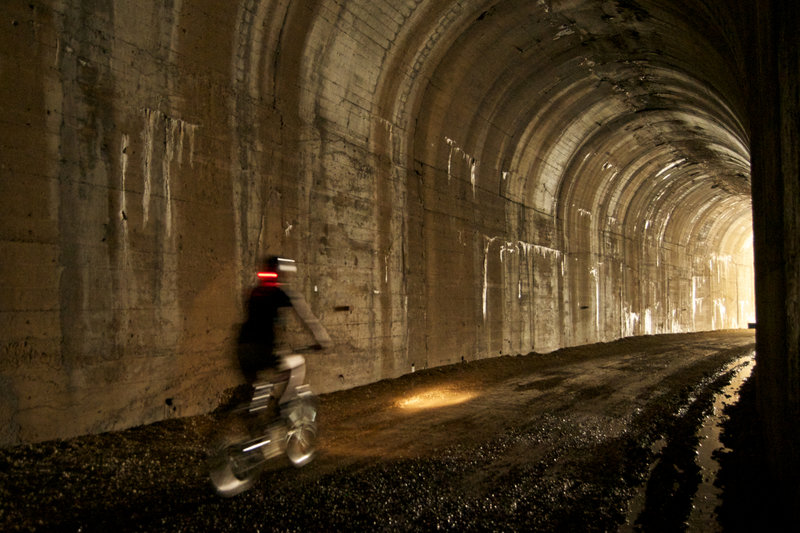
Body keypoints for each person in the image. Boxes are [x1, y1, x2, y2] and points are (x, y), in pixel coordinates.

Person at [236, 255, 331, 419]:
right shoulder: (281, 293)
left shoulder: (254, 292)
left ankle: (253, 426)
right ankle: (283, 409)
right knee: (298, 364)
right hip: (263, 350)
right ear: (280, 273)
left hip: (242, 350)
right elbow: (307, 319)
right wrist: (322, 340)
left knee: (261, 386)